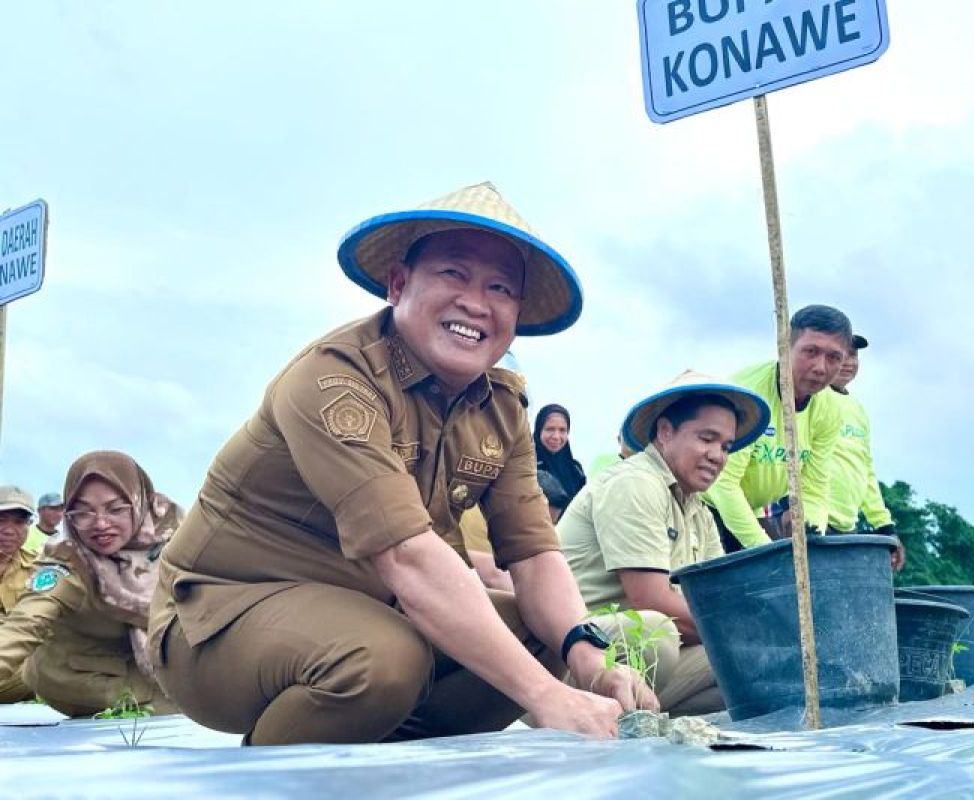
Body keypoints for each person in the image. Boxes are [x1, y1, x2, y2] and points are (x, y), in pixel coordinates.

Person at [148, 182, 656, 746]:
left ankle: (388, 759)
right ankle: (275, 775)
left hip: (365, 607)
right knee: (382, 663)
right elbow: (408, 557)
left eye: (500, 287)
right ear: (397, 284)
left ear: (515, 313)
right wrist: (547, 697)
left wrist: (590, 661)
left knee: (540, 637)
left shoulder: (502, 407)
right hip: (219, 616)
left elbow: (534, 554)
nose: (475, 302)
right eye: (452, 274)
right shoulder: (336, 380)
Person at [559, 370, 769, 714]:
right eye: (707, 438)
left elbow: (718, 601)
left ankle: (639, 721)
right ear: (665, 432)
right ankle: (576, 714)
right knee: (656, 633)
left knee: (756, 669)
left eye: (725, 446)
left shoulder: (699, 511)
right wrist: (749, 628)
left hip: (644, 662)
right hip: (576, 651)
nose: (717, 455)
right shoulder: (635, 483)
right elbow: (651, 600)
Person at [0, 452, 181, 716]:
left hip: (167, 674)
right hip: (90, 685)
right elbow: (22, 627)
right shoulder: (68, 563)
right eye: (83, 512)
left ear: (139, 503)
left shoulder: (174, 546)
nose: (101, 524)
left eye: (116, 509)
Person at [704, 304, 851, 552]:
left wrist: (810, 532)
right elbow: (724, 484)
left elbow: (814, 487)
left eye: (833, 357)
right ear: (785, 347)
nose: (820, 367)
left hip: (751, 508)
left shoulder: (830, 409)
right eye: (810, 352)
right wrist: (765, 550)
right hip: (706, 503)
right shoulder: (747, 395)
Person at [827, 335, 904, 571]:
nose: (849, 362)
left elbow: (866, 470)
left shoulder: (857, 409)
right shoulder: (811, 399)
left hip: (846, 523)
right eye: (841, 355)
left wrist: (884, 526)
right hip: (814, 520)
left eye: (854, 355)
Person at [463, 470, 571, 593]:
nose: (542, 532)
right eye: (540, 523)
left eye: (552, 525)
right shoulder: (477, 514)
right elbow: (493, 577)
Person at [0, 487, 39, 703]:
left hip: (24, 664)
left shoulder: (41, 568)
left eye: (18, 522)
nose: (8, 530)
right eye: (1, 520)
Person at [534, 403, 587, 507]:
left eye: (562, 430)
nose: (556, 436)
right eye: (550, 429)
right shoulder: (527, 468)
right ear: (539, 430)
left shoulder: (576, 471)